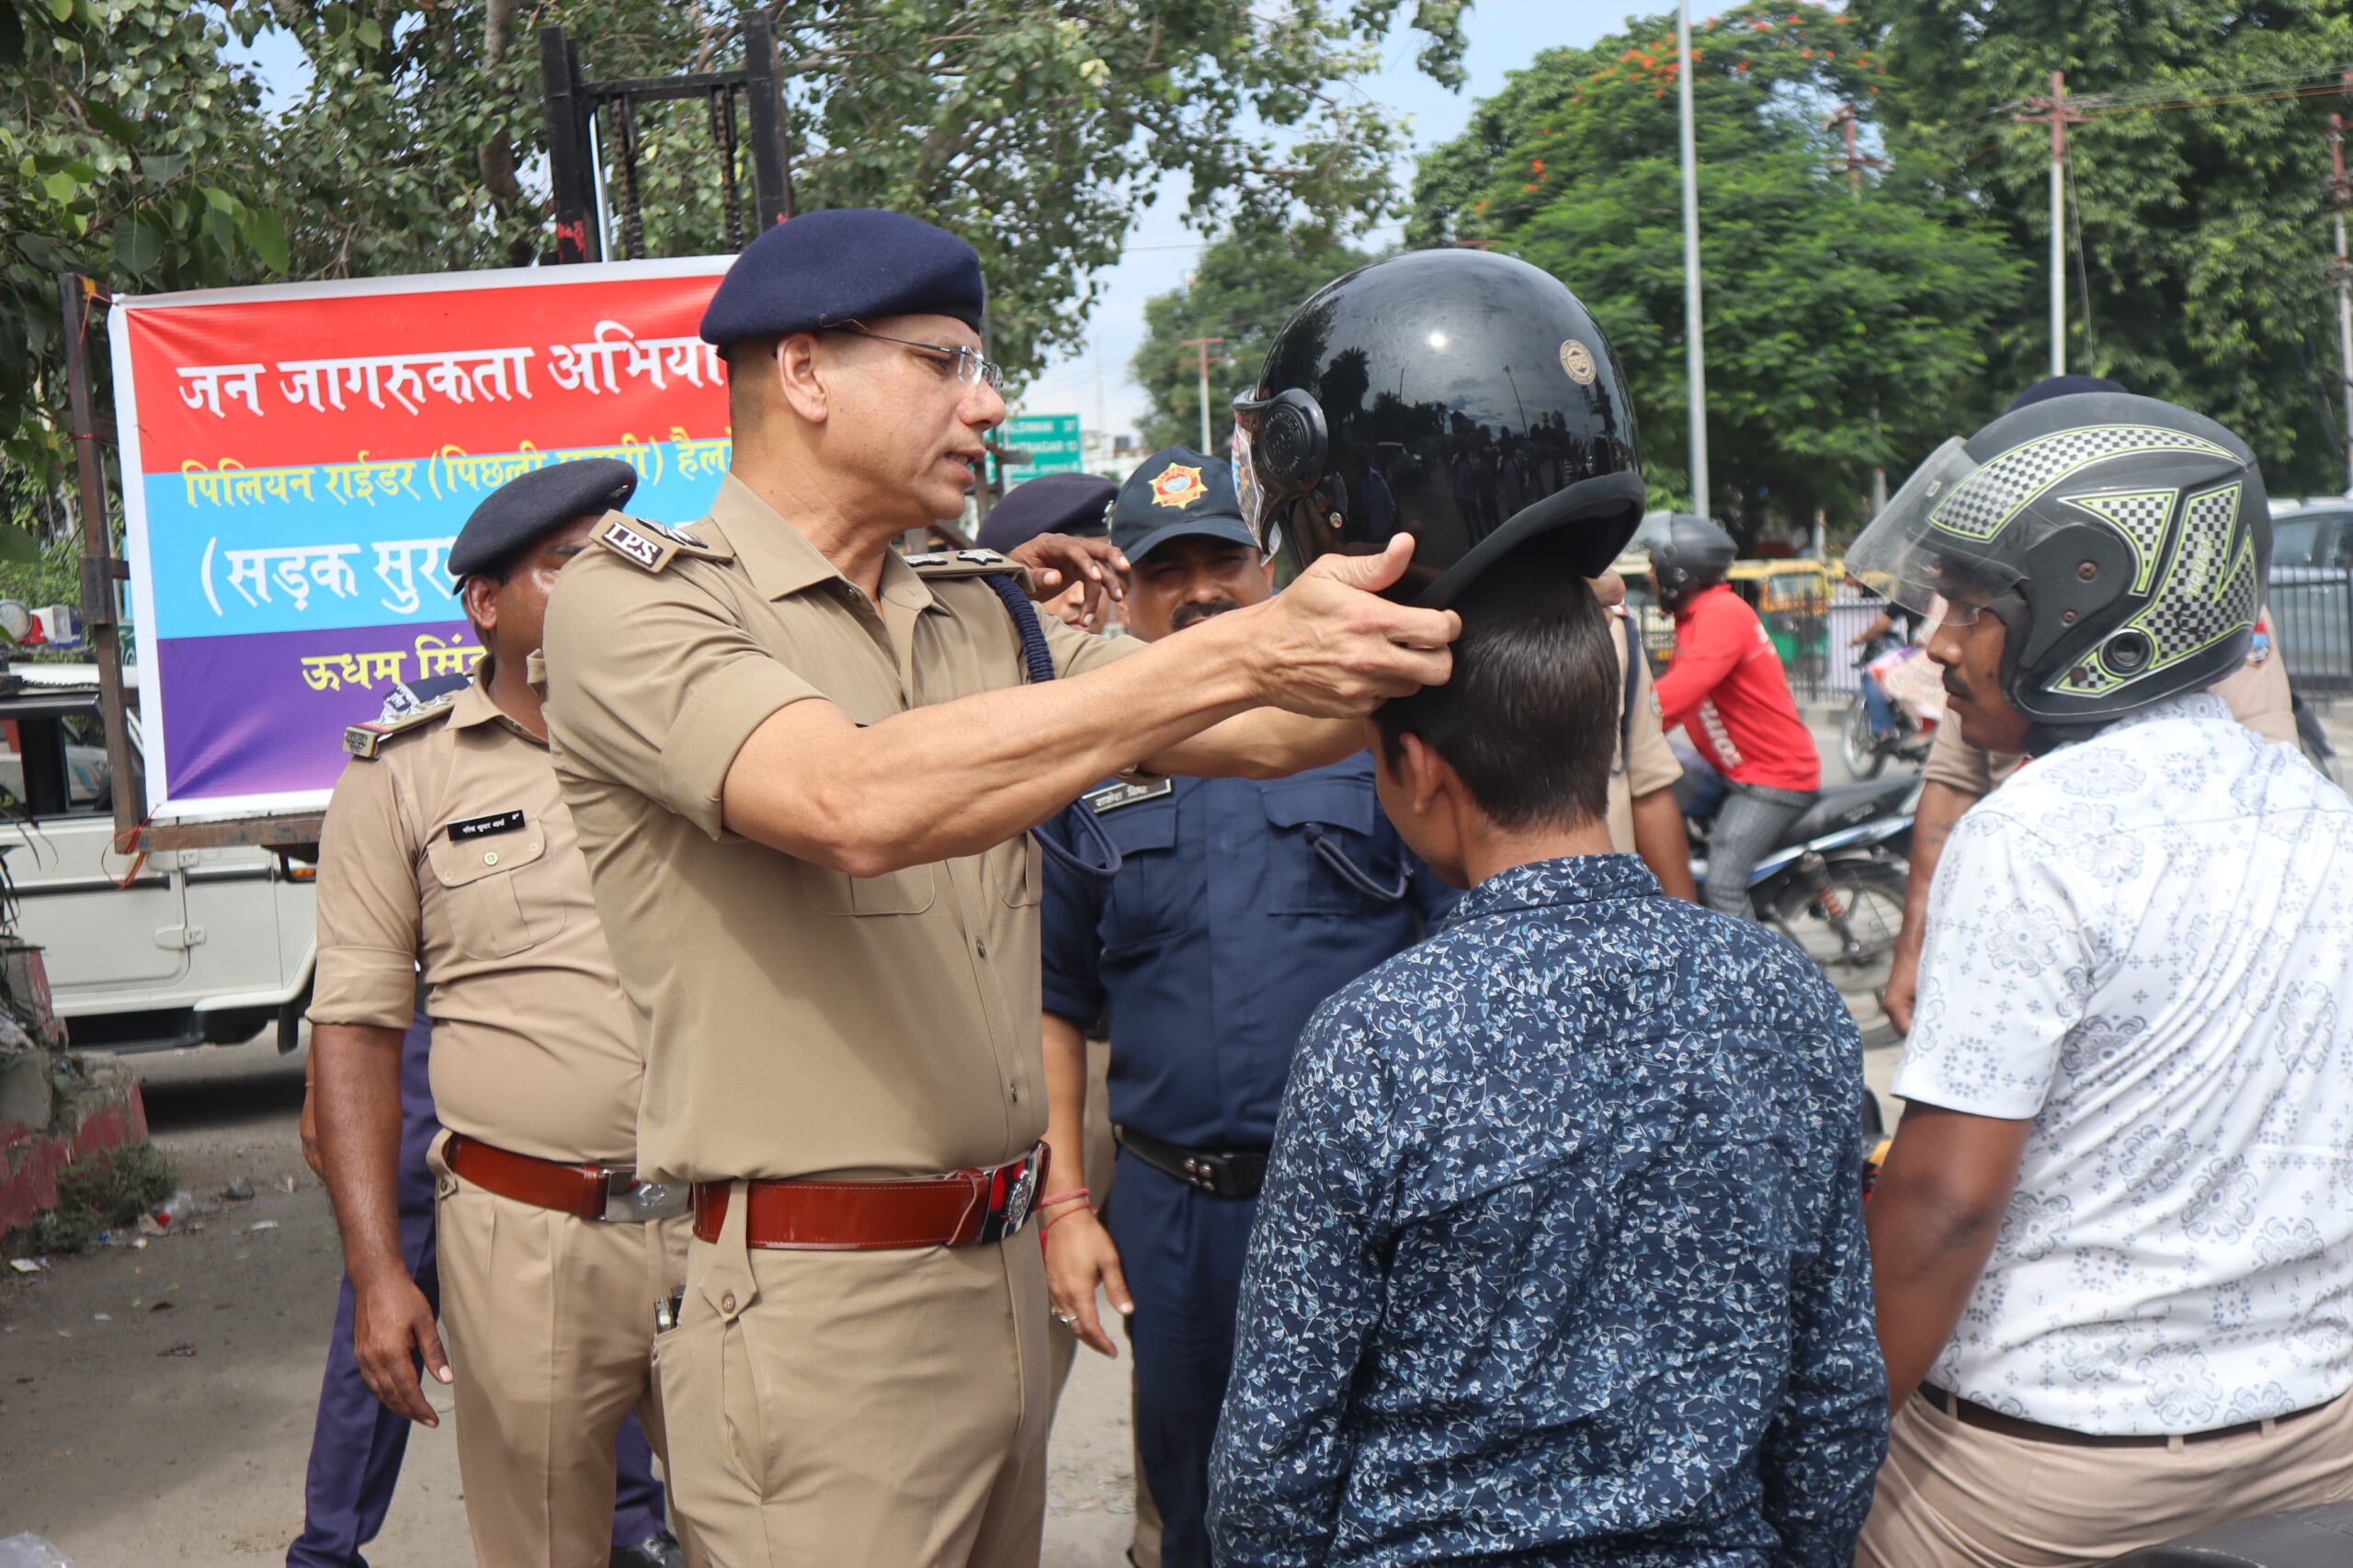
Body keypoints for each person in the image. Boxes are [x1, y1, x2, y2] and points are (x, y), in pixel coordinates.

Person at [535, 209, 1462, 1567]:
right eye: (947, 361)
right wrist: (1238, 648)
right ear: (804, 372)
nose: (990, 400)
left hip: (997, 1282)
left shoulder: (973, 608)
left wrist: (1442, 587)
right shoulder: (641, 603)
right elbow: (849, 800)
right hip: (819, 1307)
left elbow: (1264, 731)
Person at [1205, 533, 1887, 1567]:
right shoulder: (1779, 992)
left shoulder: (1377, 1038)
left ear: (1419, 768)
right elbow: (1833, 1383)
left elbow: (1276, 1438)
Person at [1847, 390, 2353, 1564]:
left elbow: (1943, 1203)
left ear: (2090, 616)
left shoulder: (2031, 836)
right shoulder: (2321, 815)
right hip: (2318, 1434)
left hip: (2052, 1473)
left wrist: (1822, 1428)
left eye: (1971, 606)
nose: (1935, 641)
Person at [1036, 447, 1460, 1568]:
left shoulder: (1374, 736)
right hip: (1176, 1218)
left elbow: (1457, 950)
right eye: (1162, 570)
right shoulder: (1082, 765)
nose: (1197, 592)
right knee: (1197, 1507)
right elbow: (1051, 1001)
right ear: (1121, 593)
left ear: (1268, 567)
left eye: (1219, 559)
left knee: (1384, 1494)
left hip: (1368, 1208)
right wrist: (1067, 1204)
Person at [309, 459, 695, 1568]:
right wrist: (381, 1274)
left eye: (621, 552)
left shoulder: (702, 739)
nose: (608, 578)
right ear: (486, 605)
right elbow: (356, 1034)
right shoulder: (405, 778)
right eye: (569, 561)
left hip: (727, 1222)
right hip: (530, 1241)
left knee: (770, 1531)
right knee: (542, 1545)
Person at [1878, 376, 2295, 1035]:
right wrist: (1915, 948)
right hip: (2029, 930)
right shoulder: (1990, 604)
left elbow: (2269, 770)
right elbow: (1955, 782)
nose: (1940, 646)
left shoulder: (2198, 610)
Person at [290, 1005, 680, 1568]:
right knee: (385, 1299)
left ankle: (630, 1520)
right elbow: (353, 963)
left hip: (596, 1031)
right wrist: (317, 1078)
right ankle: (327, 1548)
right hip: (438, 1023)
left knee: (600, 1251)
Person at [1644, 512, 1821, 918]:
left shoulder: (1719, 613)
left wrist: (1620, 724)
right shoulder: (1695, 617)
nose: (1650, 576)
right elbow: (1678, 701)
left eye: (1655, 565)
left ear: (1678, 568)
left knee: (1722, 883)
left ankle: (1746, 978)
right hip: (1736, 772)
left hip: (1772, 780)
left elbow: (1680, 690)